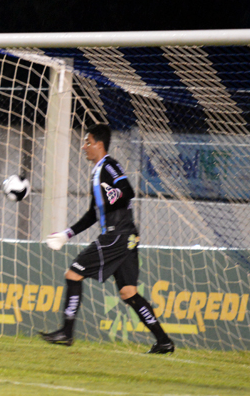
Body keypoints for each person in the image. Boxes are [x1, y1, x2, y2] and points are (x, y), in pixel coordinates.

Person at [41, 124, 174, 354]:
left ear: (99, 144)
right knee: (128, 292)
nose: (84, 147)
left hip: (117, 234)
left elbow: (127, 190)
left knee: (73, 274)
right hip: (127, 236)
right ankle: (164, 341)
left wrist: (115, 196)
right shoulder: (97, 173)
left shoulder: (109, 166)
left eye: (87, 142)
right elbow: (94, 213)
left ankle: (66, 332)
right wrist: (66, 234)